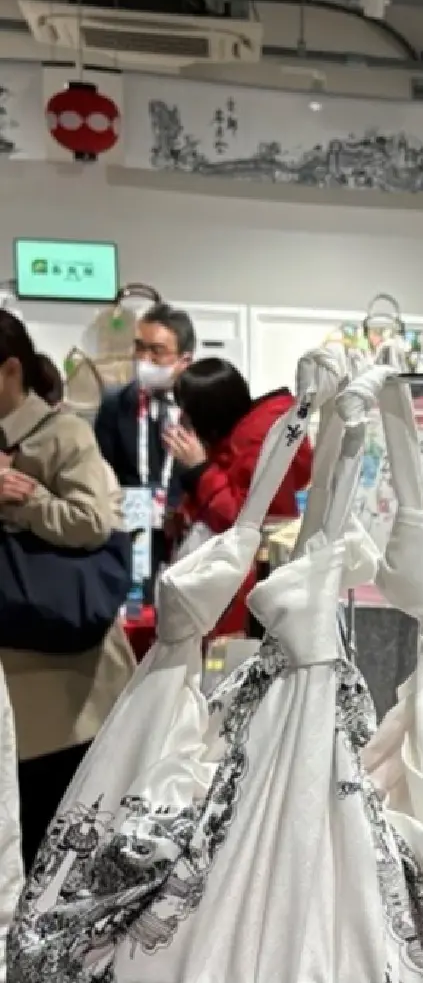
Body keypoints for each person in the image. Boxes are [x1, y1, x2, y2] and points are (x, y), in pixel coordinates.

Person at [0, 310, 137, 864]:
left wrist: (22, 498)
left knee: (55, 840)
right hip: (14, 679)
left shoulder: (63, 434)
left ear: (10, 369)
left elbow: (92, 522)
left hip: (63, 681)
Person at [163, 358, 312, 636]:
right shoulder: (240, 436)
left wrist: (200, 469)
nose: (182, 419)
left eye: (186, 410)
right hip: (238, 583)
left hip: (246, 590)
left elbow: (242, 520)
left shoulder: (256, 439)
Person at [95, 301, 196, 491]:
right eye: (140, 347)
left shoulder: (201, 408)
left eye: (157, 351)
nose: (144, 358)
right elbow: (103, 473)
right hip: (130, 514)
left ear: (185, 360)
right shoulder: (115, 404)